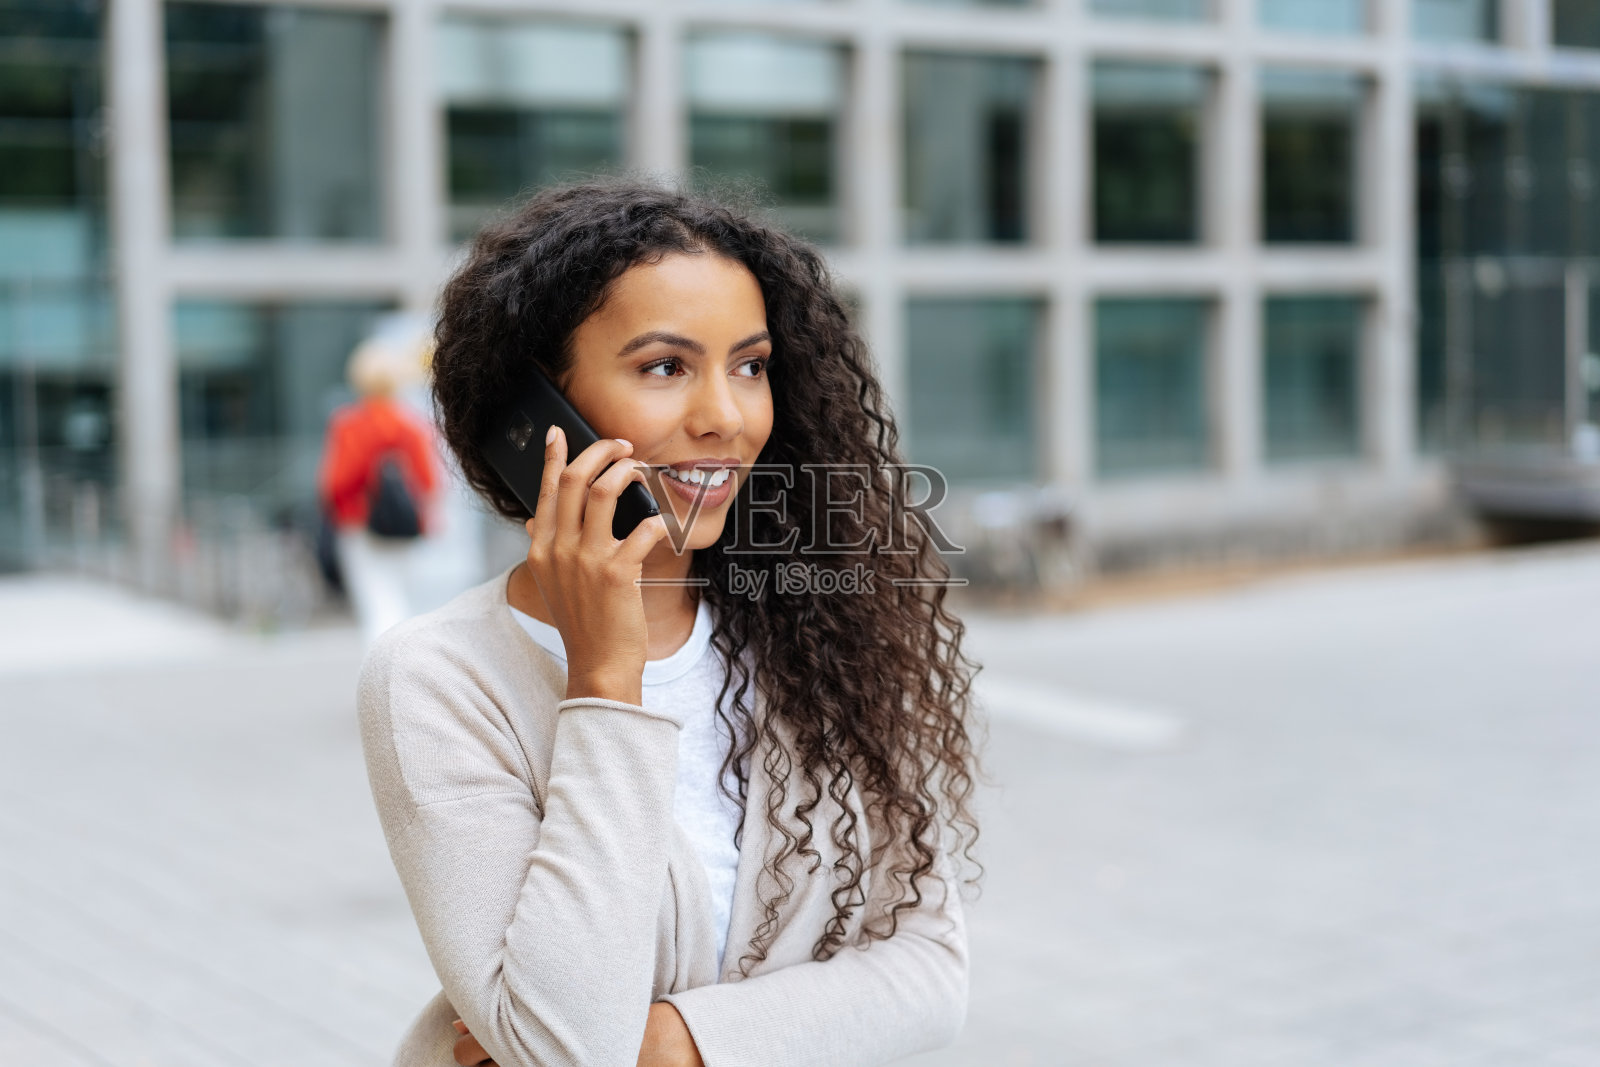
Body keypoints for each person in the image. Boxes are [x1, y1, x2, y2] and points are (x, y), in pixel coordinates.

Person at [357, 181, 980, 1067]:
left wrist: (671, 1043)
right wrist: (606, 679)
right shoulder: (437, 680)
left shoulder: (814, 632)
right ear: (534, 417)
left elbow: (931, 971)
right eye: (664, 367)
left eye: (752, 365)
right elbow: (565, 1044)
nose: (725, 416)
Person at [319, 338, 439, 646]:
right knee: (400, 598)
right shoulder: (409, 424)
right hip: (405, 527)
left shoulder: (349, 425)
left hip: (360, 525)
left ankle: (382, 674)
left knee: (376, 601)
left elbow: (336, 482)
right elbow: (428, 482)